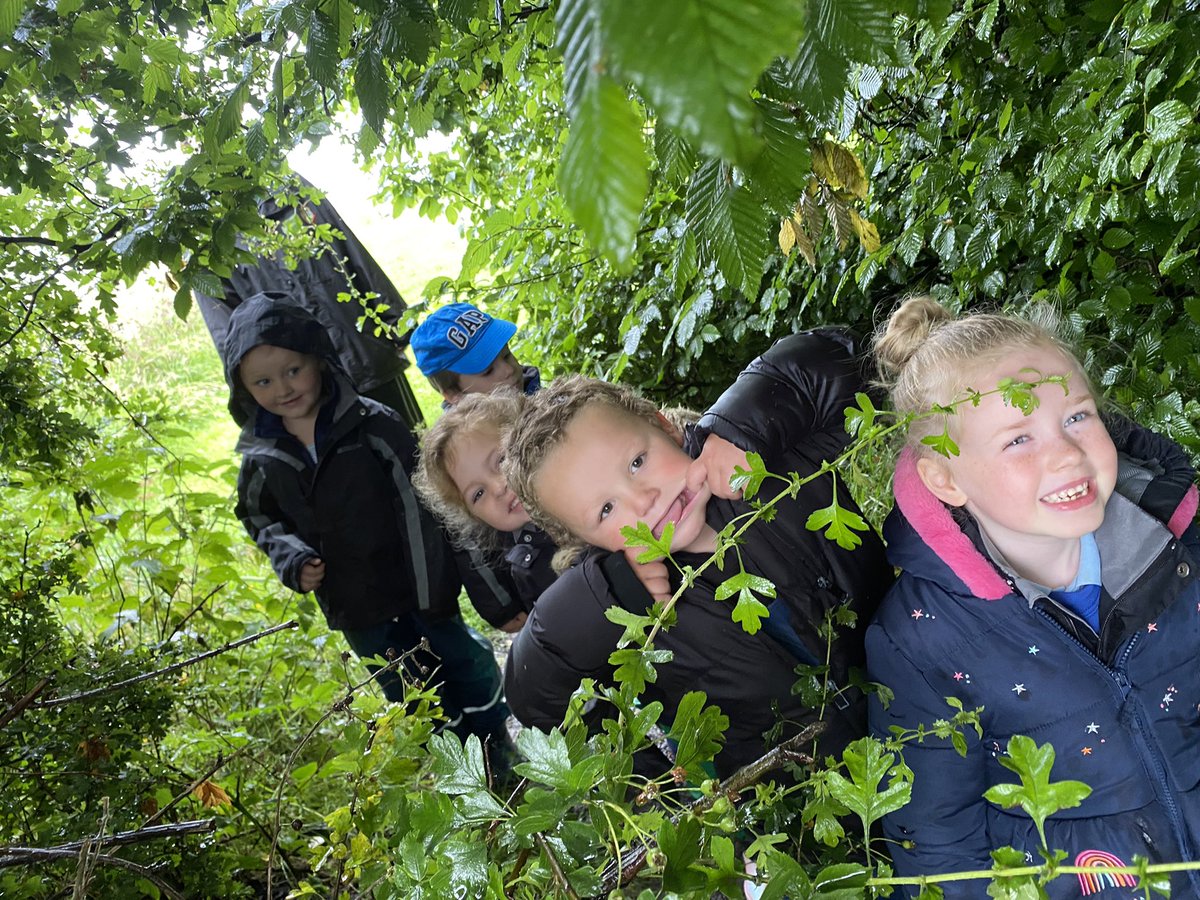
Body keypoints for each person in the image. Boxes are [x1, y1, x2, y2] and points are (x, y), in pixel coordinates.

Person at [866, 296, 1200, 897]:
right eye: (1018, 440)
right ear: (945, 479)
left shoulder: (1178, 541)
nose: (1067, 454)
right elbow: (938, 845)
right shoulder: (921, 637)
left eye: (1076, 417)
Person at [500, 328, 895, 774]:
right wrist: (615, 587)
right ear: (586, 542)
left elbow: (840, 353)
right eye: (607, 508)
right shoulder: (628, 609)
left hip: (920, 695)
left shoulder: (764, 461)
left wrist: (741, 427)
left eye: (636, 462)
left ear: (664, 426)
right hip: (803, 788)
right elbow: (531, 691)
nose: (643, 498)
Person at [221, 292, 516, 764]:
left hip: (418, 588)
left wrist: (432, 591)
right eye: (262, 381)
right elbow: (259, 517)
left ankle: (496, 741)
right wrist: (292, 559)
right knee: (408, 687)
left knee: (464, 663)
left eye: (293, 370)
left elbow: (419, 505)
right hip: (356, 608)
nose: (282, 389)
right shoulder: (261, 458)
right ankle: (460, 766)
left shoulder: (373, 426)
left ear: (318, 358)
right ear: (242, 388)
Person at [194, 173, 424, 429]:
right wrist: (255, 398)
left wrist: (396, 321)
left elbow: (345, 245)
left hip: (363, 353)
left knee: (414, 452)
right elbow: (230, 335)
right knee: (348, 465)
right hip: (301, 390)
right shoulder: (203, 231)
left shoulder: (285, 183)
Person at [415, 390, 555, 633]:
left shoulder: (592, 491)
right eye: (478, 494)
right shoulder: (526, 567)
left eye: (501, 460)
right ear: (473, 516)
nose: (498, 487)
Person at [411, 302, 540, 405]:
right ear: (454, 394)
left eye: (506, 356)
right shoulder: (467, 438)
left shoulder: (541, 400)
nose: (509, 369)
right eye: (488, 371)